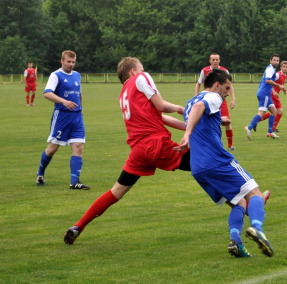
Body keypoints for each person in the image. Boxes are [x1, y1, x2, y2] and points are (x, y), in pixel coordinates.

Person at [63, 57, 190, 245]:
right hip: (156, 144)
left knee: (116, 191)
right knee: (209, 164)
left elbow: (159, 116)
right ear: (133, 71)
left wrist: (187, 123)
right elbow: (161, 106)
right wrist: (184, 111)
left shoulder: (124, 93)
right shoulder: (141, 78)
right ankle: (244, 206)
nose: (145, 71)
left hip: (138, 150)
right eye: (142, 68)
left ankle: (78, 226)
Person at [175, 68, 274, 258]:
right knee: (254, 193)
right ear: (217, 85)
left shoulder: (189, 103)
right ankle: (257, 229)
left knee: (239, 203)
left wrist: (218, 120)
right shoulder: (214, 97)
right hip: (216, 160)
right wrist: (186, 134)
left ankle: (235, 242)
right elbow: (201, 108)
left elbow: (197, 115)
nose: (228, 93)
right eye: (227, 88)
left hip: (198, 168)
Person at [36, 51, 90, 189]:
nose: (71, 65)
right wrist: (64, 102)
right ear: (62, 61)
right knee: (53, 148)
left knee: (78, 147)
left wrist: (81, 109)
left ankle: (74, 182)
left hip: (76, 117)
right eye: (68, 62)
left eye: (73, 62)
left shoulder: (77, 75)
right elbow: (47, 93)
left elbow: (79, 94)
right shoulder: (56, 75)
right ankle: (40, 173)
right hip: (62, 116)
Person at [195, 53, 236, 150]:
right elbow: (198, 83)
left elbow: (229, 85)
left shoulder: (224, 71)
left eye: (217, 59)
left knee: (227, 122)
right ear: (210, 61)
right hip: (207, 100)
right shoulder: (204, 71)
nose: (215, 61)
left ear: (219, 60)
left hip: (221, 100)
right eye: (213, 60)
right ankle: (212, 145)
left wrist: (233, 99)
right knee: (209, 123)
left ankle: (230, 145)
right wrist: (196, 96)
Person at [245, 54, 286, 139]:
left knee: (274, 111)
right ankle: (249, 127)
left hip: (265, 94)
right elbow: (268, 80)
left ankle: (270, 132)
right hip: (264, 93)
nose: (276, 62)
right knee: (261, 113)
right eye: (274, 60)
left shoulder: (271, 69)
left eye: (277, 60)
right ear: (270, 61)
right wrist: (278, 86)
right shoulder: (270, 69)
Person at [259, 61, 287, 133]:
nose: (285, 68)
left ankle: (273, 128)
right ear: (281, 67)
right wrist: (274, 91)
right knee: (274, 112)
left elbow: (280, 84)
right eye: (284, 67)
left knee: (280, 112)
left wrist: (284, 89)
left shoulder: (285, 75)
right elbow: (270, 82)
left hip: (276, 96)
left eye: (286, 67)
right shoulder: (277, 75)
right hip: (272, 95)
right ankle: (256, 121)